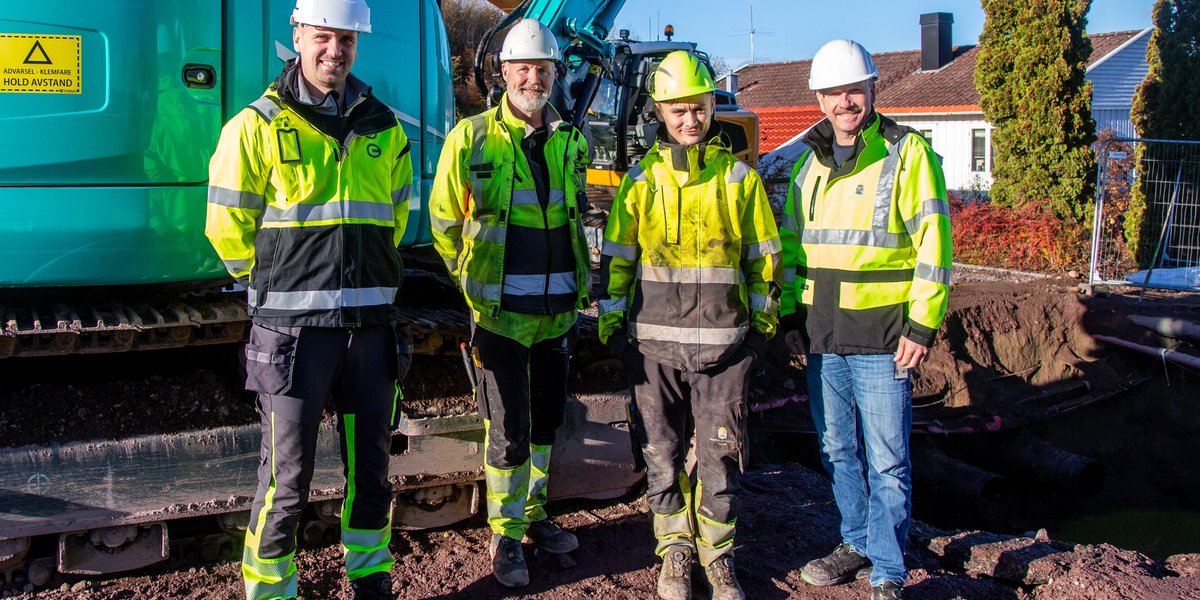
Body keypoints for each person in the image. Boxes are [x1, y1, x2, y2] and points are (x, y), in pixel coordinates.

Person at [205, 0, 412, 598]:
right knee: (286, 480)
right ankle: (271, 590)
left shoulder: (383, 126)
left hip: (370, 331)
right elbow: (225, 225)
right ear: (298, 35)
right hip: (293, 337)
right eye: (324, 36)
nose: (336, 50)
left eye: (346, 39)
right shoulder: (258, 124)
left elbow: (393, 217)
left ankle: (371, 577)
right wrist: (272, 287)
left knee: (371, 471)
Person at [598, 50, 781, 600]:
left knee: (722, 455)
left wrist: (761, 331)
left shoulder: (740, 180)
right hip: (654, 349)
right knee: (661, 452)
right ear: (659, 111)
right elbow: (617, 260)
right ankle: (675, 551)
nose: (690, 120)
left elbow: (765, 261)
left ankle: (717, 556)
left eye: (698, 108)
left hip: (725, 350)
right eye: (678, 110)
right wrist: (613, 323)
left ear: (711, 107)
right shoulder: (640, 182)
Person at [779, 39, 952, 600]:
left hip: (884, 339)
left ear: (873, 89)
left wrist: (921, 327)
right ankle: (854, 541)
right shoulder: (808, 166)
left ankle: (887, 566)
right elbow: (790, 247)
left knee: (887, 459)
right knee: (836, 450)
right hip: (824, 339)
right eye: (833, 93)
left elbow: (934, 244)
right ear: (820, 99)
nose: (844, 102)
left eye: (854, 90)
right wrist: (787, 317)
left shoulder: (908, 155)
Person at [428, 18, 591, 589]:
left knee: (546, 424)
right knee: (508, 433)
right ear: (503, 73)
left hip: (559, 315)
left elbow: (575, 220)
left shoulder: (573, 140)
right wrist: (472, 286)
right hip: (499, 319)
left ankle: (536, 515)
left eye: (541, 68)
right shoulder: (471, 138)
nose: (532, 76)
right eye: (523, 67)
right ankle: (506, 536)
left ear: (553, 73)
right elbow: (444, 221)